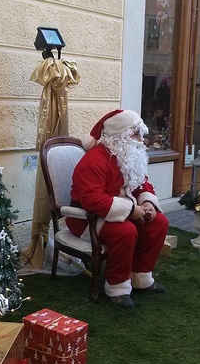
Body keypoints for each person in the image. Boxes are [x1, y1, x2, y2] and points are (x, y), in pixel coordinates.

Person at [66, 109, 169, 308]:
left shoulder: (127, 155)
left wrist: (147, 203)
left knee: (159, 223)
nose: (141, 140)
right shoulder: (94, 161)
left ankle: (140, 277)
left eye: (141, 134)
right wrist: (131, 210)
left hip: (119, 210)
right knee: (125, 232)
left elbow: (142, 184)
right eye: (135, 134)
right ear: (119, 136)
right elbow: (92, 200)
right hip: (87, 218)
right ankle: (117, 287)